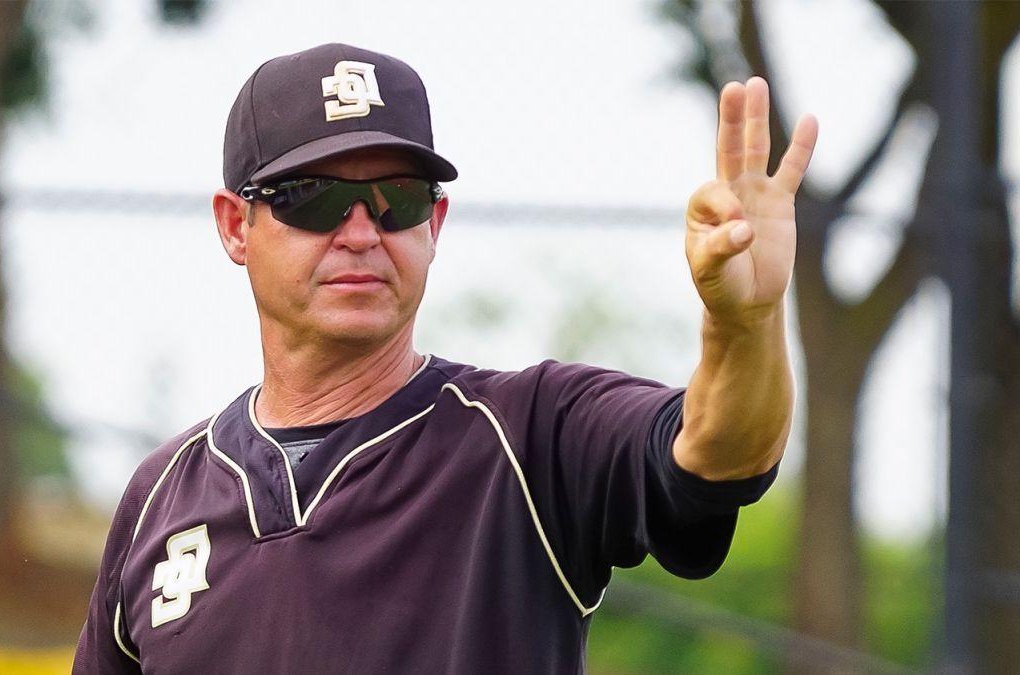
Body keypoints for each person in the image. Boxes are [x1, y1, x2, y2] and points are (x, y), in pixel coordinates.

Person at [73, 42, 818, 673]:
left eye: (396, 197)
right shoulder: (160, 501)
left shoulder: (530, 435)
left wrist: (743, 324)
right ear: (237, 225)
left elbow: (720, 451)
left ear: (434, 222)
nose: (362, 231)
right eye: (313, 198)